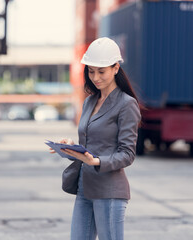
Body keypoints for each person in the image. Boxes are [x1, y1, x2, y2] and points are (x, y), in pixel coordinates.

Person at [50, 37, 141, 240]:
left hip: (109, 190)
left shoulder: (127, 105)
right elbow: (91, 142)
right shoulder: (90, 101)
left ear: (116, 68)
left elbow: (127, 154)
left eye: (101, 71)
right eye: (91, 71)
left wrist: (96, 161)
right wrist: (71, 147)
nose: (95, 77)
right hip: (85, 187)